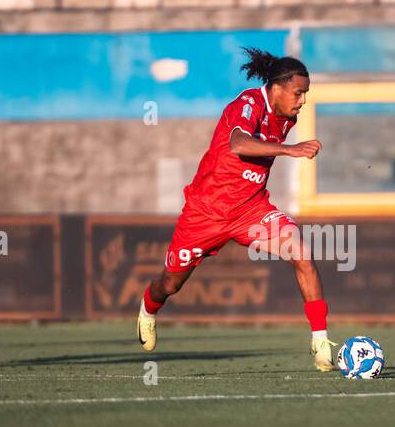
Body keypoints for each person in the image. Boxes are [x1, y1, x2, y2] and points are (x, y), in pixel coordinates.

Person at [137, 47, 335, 371]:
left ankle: (321, 342)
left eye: (305, 94)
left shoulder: (287, 116)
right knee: (170, 284)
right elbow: (239, 145)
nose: (302, 101)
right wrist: (290, 150)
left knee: (301, 251)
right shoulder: (247, 104)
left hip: (250, 211)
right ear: (277, 88)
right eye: (298, 93)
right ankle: (148, 308)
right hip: (206, 211)